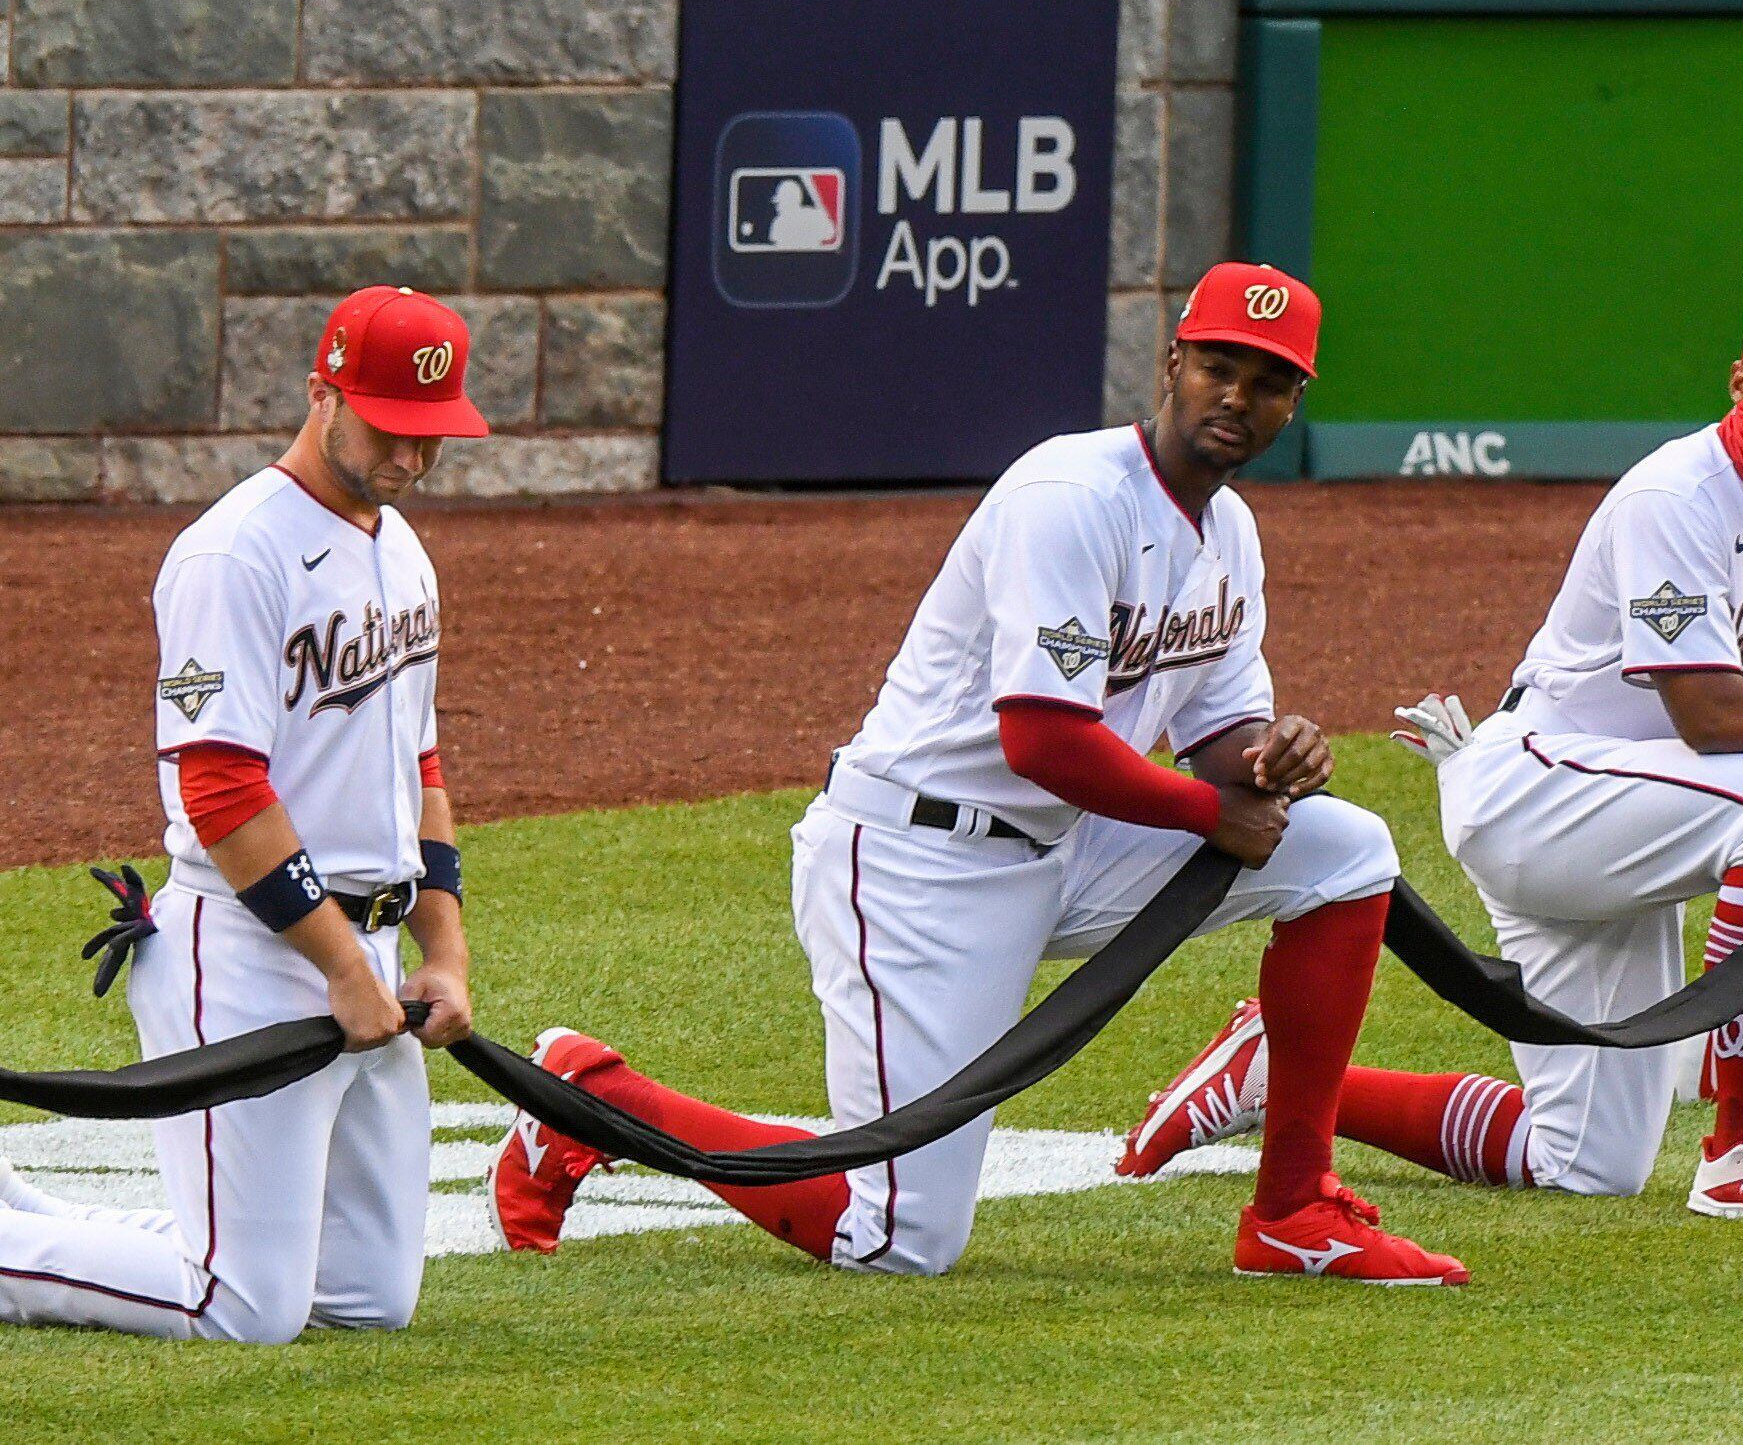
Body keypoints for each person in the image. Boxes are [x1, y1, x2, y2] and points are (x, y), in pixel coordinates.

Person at [488, 265, 1466, 1286]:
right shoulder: (1070, 496)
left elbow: (1221, 733)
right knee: (897, 1236)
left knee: (1347, 847)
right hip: (920, 859)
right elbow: (1042, 739)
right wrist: (1209, 809)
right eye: (1218, 366)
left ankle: (1295, 1209)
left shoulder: (1229, 535)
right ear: (1173, 361)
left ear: (1293, 403)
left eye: (1267, 382)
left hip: (1068, 845)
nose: (1236, 397)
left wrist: (1273, 758)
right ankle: (588, 1093)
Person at [1113, 281, 1743, 1225]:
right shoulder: (1676, 494)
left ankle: (1281, 1073)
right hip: (1536, 789)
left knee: (1586, 1160)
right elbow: (1710, 710)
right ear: (1740, 377)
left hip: (1632, 821)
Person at [0, 287, 485, 1341]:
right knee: (244, 1308)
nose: (411, 456)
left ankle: (39, 1219)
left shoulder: (401, 548)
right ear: (321, 393)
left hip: (374, 932)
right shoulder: (234, 554)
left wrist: (440, 948)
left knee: (365, 1298)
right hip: (252, 945)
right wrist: (344, 968)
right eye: (389, 427)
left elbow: (422, 759)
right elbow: (220, 786)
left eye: (432, 434)